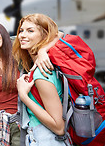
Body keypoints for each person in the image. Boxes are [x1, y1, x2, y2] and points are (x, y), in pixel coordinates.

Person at [13, 14, 65, 146]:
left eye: (30, 31)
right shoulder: (38, 67)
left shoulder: (42, 74)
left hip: (46, 140)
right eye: (21, 30)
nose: (22, 35)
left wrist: (24, 96)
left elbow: (59, 127)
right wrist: (43, 50)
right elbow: (60, 34)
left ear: (44, 35)